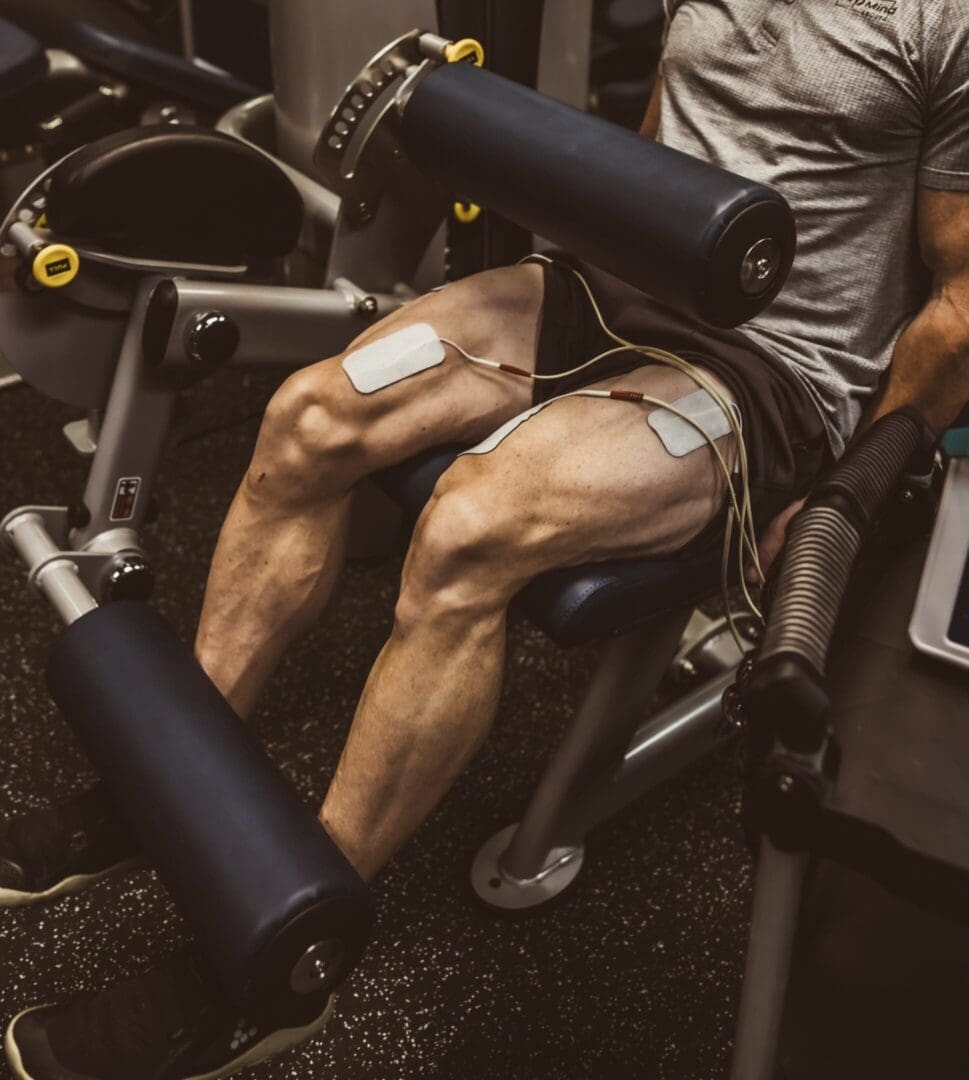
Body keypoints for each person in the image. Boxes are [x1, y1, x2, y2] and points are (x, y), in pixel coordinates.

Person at [4, 2, 969, 1076]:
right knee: (308, 417)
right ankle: (167, 791)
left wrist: (849, 492)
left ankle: (278, 952)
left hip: (768, 372)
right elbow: (661, 140)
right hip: (607, 287)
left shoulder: (946, 22)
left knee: (472, 523)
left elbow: (961, 303)